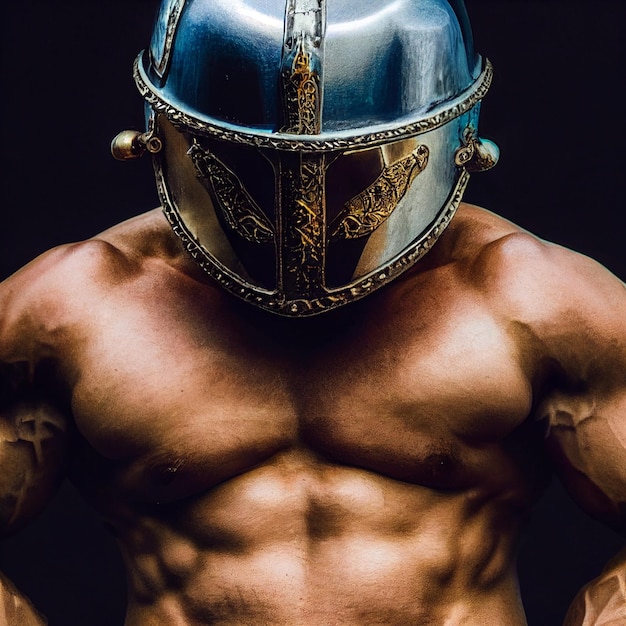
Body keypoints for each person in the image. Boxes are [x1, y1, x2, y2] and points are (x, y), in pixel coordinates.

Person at [1, 1, 624, 624]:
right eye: (258, 164)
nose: (310, 210)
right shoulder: (71, 313)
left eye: (348, 166)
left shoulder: (536, 305)